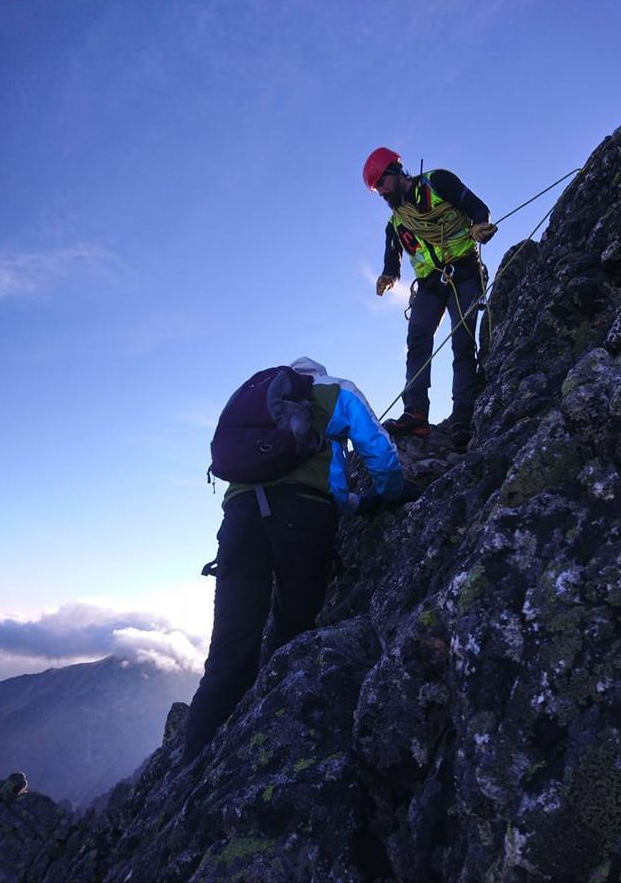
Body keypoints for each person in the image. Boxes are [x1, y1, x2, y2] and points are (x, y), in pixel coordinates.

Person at [182, 356, 419, 763]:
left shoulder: (253, 402)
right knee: (293, 632)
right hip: (304, 519)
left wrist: (352, 503)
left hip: (239, 523)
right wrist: (392, 494)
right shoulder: (335, 390)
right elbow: (376, 449)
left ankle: (190, 769)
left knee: (229, 651)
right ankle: (274, 745)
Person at [362, 147, 498, 448]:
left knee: (463, 339)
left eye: (382, 183)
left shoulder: (438, 182)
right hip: (430, 284)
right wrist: (388, 278)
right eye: (377, 189)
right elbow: (392, 262)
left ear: (396, 173)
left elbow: (476, 207)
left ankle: (463, 415)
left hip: (464, 270)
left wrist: (477, 226)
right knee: (418, 340)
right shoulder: (396, 223)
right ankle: (415, 412)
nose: (382, 192)